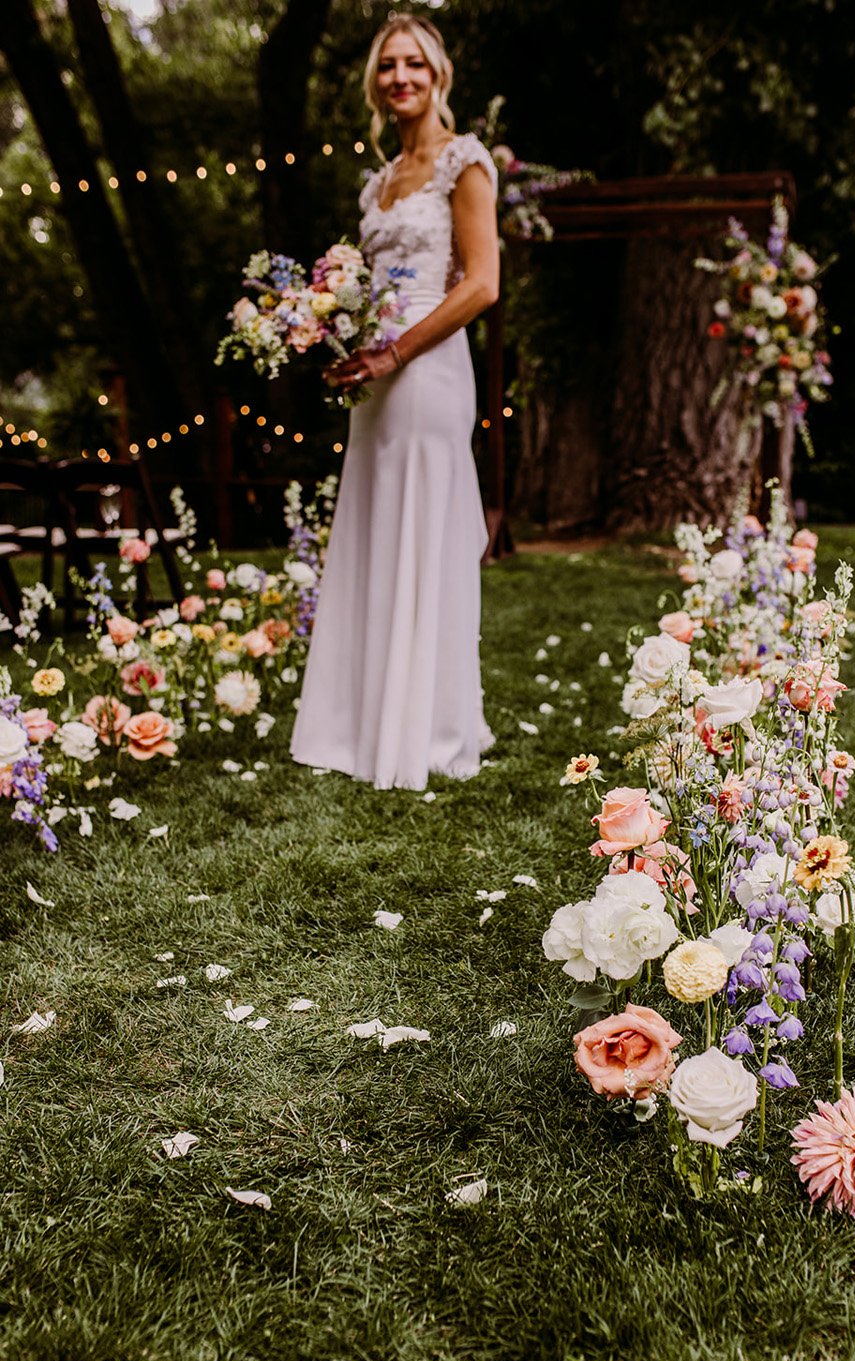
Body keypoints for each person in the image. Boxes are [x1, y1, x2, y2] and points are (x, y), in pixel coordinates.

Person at [290, 14, 500, 790]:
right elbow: (368, 287)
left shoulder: (465, 162)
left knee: (425, 527)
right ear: (375, 83)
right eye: (388, 66)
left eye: (414, 64)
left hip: (430, 367)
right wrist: (337, 342)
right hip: (373, 377)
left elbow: (482, 283)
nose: (400, 77)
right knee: (376, 528)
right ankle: (362, 724)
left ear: (437, 75)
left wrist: (397, 351)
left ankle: (433, 728)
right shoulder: (375, 182)